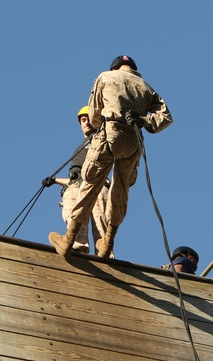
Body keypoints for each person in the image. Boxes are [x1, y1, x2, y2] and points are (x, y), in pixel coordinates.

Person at [49, 55, 172, 258]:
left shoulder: (106, 77)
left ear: (115, 68)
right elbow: (165, 118)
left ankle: (69, 239)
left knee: (89, 185)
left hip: (109, 134)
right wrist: (143, 121)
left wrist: (101, 124)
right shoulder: (146, 87)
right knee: (121, 189)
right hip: (133, 142)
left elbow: (94, 114)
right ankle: (107, 242)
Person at [42, 106, 110, 254]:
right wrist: (54, 181)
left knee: (100, 219)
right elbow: (75, 180)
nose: (86, 123)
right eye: (83, 120)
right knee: (74, 211)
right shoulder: (80, 148)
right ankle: (78, 247)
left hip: (97, 183)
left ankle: (105, 253)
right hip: (78, 185)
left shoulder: (102, 138)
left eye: (89, 119)